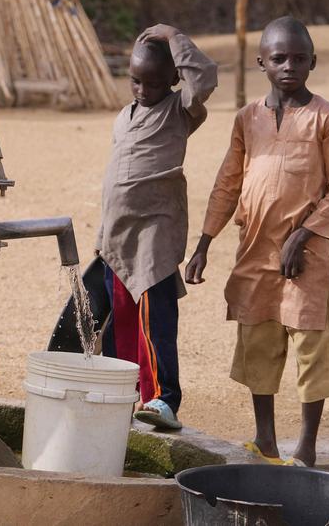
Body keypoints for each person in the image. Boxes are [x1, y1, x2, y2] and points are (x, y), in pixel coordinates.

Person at [185, 16, 329, 468]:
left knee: (312, 348)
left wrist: (306, 233)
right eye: (279, 58)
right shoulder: (247, 119)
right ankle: (266, 439)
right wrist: (203, 243)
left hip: (306, 256)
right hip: (255, 251)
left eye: (299, 58)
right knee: (258, 342)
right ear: (262, 62)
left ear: (312, 62)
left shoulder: (324, 117)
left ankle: (308, 448)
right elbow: (228, 182)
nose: (289, 66)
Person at [91, 23, 217, 431]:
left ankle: (163, 398)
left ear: (173, 81)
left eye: (153, 83)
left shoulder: (180, 112)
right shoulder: (122, 117)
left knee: (154, 319)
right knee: (121, 322)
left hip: (154, 236)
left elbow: (206, 77)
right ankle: (123, 394)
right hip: (116, 238)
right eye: (135, 81)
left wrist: (175, 36)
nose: (143, 90)